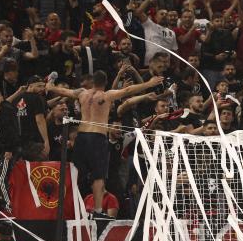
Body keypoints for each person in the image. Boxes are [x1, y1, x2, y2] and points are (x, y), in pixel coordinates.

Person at [46, 71, 163, 217]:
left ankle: (68, 206)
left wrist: (50, 86)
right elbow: (127, 90)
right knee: (98, 176)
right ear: (105, 82)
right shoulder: (107, 95)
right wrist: (149, 84)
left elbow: (63, 90)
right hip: (97, 137)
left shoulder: (82, 93)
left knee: (77, 173)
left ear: (92, 81)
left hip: (81, 137)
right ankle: (98, 210)